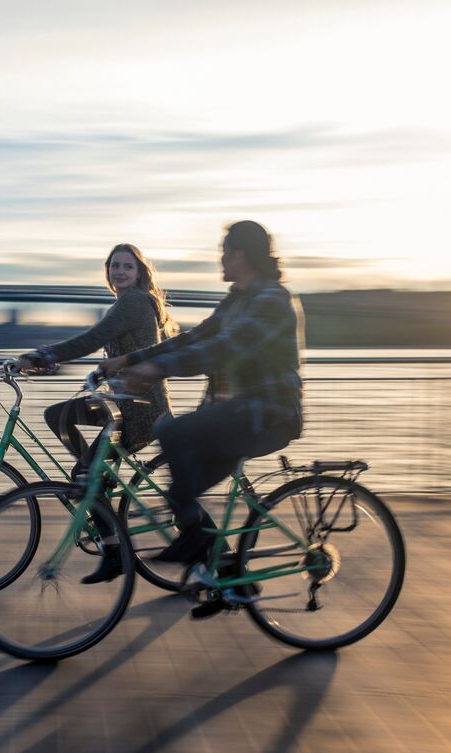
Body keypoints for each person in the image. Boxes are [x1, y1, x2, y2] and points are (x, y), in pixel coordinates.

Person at [100, 220, 304, 573]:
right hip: (237, 414)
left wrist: (155, 370)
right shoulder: (237, 300)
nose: (220, 260)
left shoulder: (271, 299)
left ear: (239, 255)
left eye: (223, 253)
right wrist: (132, 360)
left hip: (266, 415)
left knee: (173, 433)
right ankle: (233, 578)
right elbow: (191, 340)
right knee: (182, 492)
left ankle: (194, 538)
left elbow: (222, 349)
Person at [17, 243, 177, 583]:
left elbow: (91, 340)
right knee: (56, 415)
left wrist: (40, 356)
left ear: (139, 273)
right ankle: (97, 476)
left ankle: (113, 550)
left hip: (141, 412)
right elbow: (125, 350)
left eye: (127, 267)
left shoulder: (133, 302)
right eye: (114, 266)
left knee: (85, 474)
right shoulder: (124, 304)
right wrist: (100, 373)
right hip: (119, 404)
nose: (119, 272)